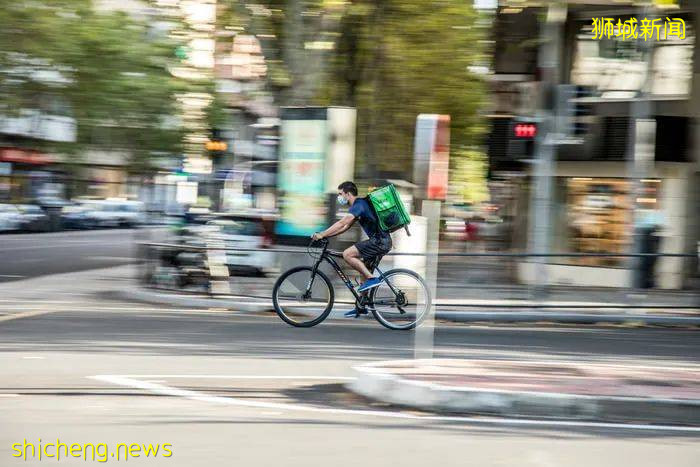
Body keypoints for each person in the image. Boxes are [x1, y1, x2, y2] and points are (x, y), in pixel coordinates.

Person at [312, 181, 393, 317]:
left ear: (348, 194)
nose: (339, 197)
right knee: (363, 271)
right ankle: (361, 305)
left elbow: (342, 222)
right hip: (381, 241)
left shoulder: (359, 204)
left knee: (347, 254)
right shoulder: (359, 206)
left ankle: (372, 278)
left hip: (379, 242)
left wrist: (322, 234)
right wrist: (326, 235)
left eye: (340, 194)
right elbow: (345, 227)